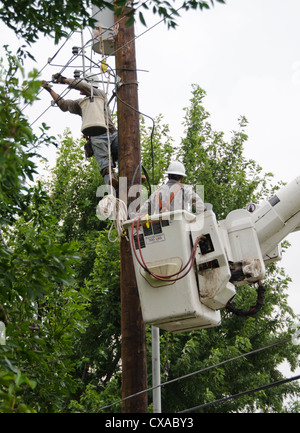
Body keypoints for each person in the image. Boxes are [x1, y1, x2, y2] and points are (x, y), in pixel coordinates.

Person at [42, 73, 118, 188]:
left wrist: (64, 79)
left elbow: (84, 87)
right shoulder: (80, 103)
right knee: (106, 164)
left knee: (127, 152)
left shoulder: (100, 95)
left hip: (111, 133)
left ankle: (134, 177)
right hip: (97, 136)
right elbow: (63, 105)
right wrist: (49, 90)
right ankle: (113, 186)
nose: (80, 90)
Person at [137, 161, 205, 216]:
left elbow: (143, 211)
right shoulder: (185, 189)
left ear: (168, 176)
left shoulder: (157, 193)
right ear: (182, 178)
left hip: (162, 230)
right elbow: (200, 206)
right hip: (182, 230)